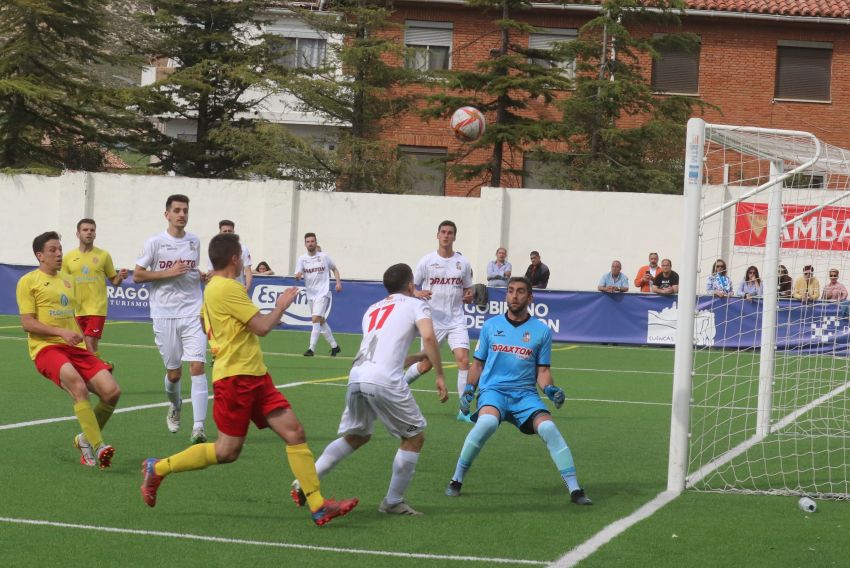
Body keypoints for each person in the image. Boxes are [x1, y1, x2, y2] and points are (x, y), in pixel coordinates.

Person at [140, 233, 358, 526]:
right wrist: (280, 305)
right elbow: (262, 328)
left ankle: (318, 505)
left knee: (294, 433)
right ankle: (159, 468)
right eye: (241, 254)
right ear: (234, 259)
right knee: (227, 451)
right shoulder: (226, 288)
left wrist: (261, 319)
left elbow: (235, 324)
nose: (243, 259)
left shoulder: (216, 288)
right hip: (235, 380)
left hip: (255, 375)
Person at [290, 263, 448, 516]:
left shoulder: (372, 309)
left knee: (358, 435)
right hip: (383, 379)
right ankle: (393, 502)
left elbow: (383, 351)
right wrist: (439, 374)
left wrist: (417, 356)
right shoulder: (416, 304)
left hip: (357, 375)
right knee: (414, 436)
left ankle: (305, 480)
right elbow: (429, 337)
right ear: (410, 285)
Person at [444, 277, 591, 506]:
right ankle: (456, 479)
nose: (514, 296)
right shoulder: (491, 326)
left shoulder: (541, 331)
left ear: (530, 297)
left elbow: (543, 371)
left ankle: (574, 489)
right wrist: (469, 390)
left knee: (549, 428)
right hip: (494, 391)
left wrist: (551, 389)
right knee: (486, 424)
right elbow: (478, 365)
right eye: (510, 291)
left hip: (525, 395)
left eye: (521, 291)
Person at [17, 231, 120, 469]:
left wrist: (80, 339)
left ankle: (83, 439)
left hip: (75, 347)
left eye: (60, 249)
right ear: (40, 255)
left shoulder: (67, 280)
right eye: (53, 250)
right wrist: (60, 332)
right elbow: (27, 323)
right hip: (46, 348)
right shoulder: (28, 281)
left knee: (112, 392)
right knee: (77, 385)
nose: (59, 253)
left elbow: (72, 316)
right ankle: (98, 445)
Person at [133, 194, 209, 444]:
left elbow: (189, 272)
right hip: (164, 314)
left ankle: (199, 427)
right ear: (167, 214)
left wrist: (201, 276)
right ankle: (176, 406)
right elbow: (138, 276)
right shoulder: (155, 242)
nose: (182, 214)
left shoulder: (195, 241)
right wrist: (168, 272)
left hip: (192, 311)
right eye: (176, 210)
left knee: (197, 366)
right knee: (174, 374)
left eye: (185, 210)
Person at [404, 221, 473, 422]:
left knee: (463, 359)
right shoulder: (426, 261)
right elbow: (411, 287)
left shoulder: (463, 263)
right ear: (437, 235)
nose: (446, 236)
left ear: (454, 237)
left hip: (456, 319)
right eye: (443, 232)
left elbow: (467, 290)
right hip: (433, 321)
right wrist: (417, 292)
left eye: (450, 233)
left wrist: (468, 296)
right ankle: (399, 385)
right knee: (425, 365)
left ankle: (464, 411)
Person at [61, 218, 129, 359]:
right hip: (77, 310)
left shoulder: (103, 255)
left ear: (95, 234)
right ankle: (101, 370)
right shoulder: (68, 258)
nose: (89, 232)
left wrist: (120, 277)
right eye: (85, 230)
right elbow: (63, 284)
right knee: (82, 346)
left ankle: (97, 376)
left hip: (97, 309)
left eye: (92, 230)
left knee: (89, 343)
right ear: (78, 234)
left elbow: (114, 281)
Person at [295, 232, 342, 357]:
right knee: (320, 321)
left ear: (316, 242)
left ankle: (311, 349)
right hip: (311, 294)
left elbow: (334, 269)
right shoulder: (302, 259)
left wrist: (338, 283)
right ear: (305, 244)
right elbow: (297, 274)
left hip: (323, 292)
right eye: (308, 241)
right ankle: (334, 346)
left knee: (315, 319)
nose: (310, 243)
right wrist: (298, 276)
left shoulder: (324, 257)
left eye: (312, 241)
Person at [216, 220, 252, 291]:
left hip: (237, 290)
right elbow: (212, 271)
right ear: (220, 233)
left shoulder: (243, 249)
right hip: (220, 290)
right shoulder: (215, 250)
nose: (227, 233)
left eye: (230, 231)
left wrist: (247, 287)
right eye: (225, 231)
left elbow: (248, 271)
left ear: (233, 233)